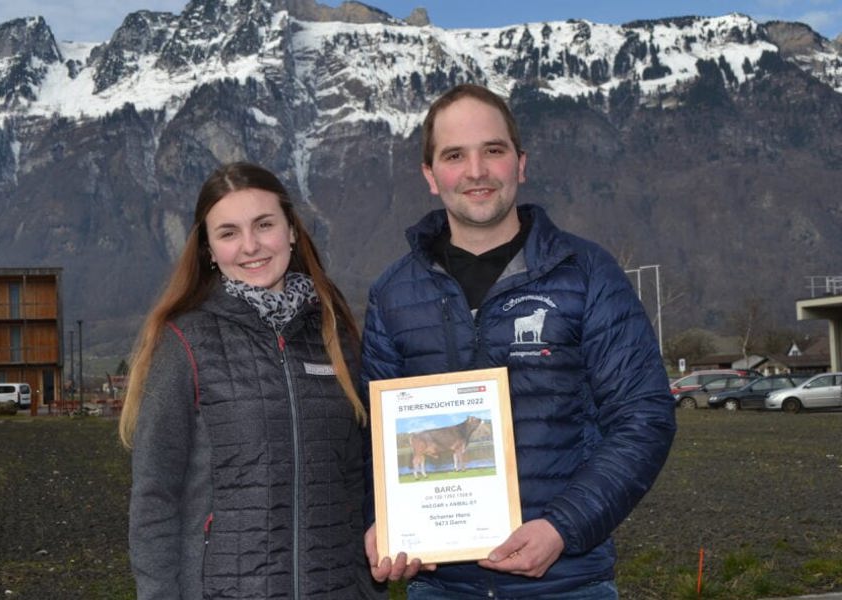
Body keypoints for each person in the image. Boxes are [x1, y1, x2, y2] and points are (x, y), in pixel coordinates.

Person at [361, 83, 677, 598]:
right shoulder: (393, 293)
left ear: (521, 164)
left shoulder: (587, 273)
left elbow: (644, 417)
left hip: (568, 582)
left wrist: (562, 527)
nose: (477, 171)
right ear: (430, 176)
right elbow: (371, 437)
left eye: (493, 151)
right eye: (454, 155)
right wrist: (385, 522)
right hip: (442, 587)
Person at [119, 162, 382, 599]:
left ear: (292, 231)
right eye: (228, 233)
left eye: (264, 225)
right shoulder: (185, 342)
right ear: (208, 248)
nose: (250, 246)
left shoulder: (337, 337)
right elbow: (154, 500)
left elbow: (359, 485)